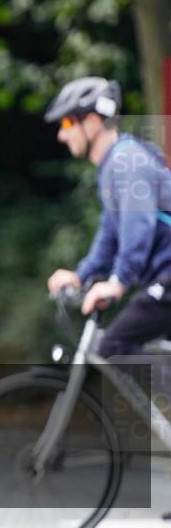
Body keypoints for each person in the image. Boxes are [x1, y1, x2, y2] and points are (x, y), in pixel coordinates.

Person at [44, 76, 171, 358]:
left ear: (92, 122)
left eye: (66, 123)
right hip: (163, 278)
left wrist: (118, 281)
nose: (61, 135)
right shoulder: (114, 165)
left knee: (114, 347)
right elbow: (110, 235)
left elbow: (139, 226)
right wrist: (82, 275)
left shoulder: (125, 162)